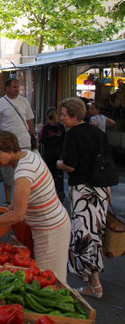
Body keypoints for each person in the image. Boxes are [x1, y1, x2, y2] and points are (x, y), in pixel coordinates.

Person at [0, 130, 71, 282]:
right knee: (45, 277)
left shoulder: (24, 171)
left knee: (50, 281)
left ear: (10, 150)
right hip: (47, 225)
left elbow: (18, 215)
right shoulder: (27, 154)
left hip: (50, 229)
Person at [56, 97, 114, 298]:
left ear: (73, 116)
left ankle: (95, 285)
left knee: (84, 236)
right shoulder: (98, 133)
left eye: (64, 115)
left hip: (84, 192)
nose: (61, 118)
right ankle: (89, 276)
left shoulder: (73, 135)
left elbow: (70, 165)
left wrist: (58, 164)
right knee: (94, 233)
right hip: (101, 190)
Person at [0, 78, 36, 206]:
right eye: (14, 87)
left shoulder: (24, 101)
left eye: (18, 87)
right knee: (8, 175)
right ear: (7, 88)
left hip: (24, 142)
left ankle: (25, 200)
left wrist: (34, 137)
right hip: (8, 145)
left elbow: (29, 121)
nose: (17, 89)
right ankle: (8, 200)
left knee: (26, 173)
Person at [38, 107, 66, 201]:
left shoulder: (45, 127)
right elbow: (65, 140)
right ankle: (60, 190)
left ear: (47, 116)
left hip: (49, 154)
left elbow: (42, 140)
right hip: (60, 154)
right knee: (59, 174)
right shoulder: (61, 127)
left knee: (50, 174)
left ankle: (51, 193)